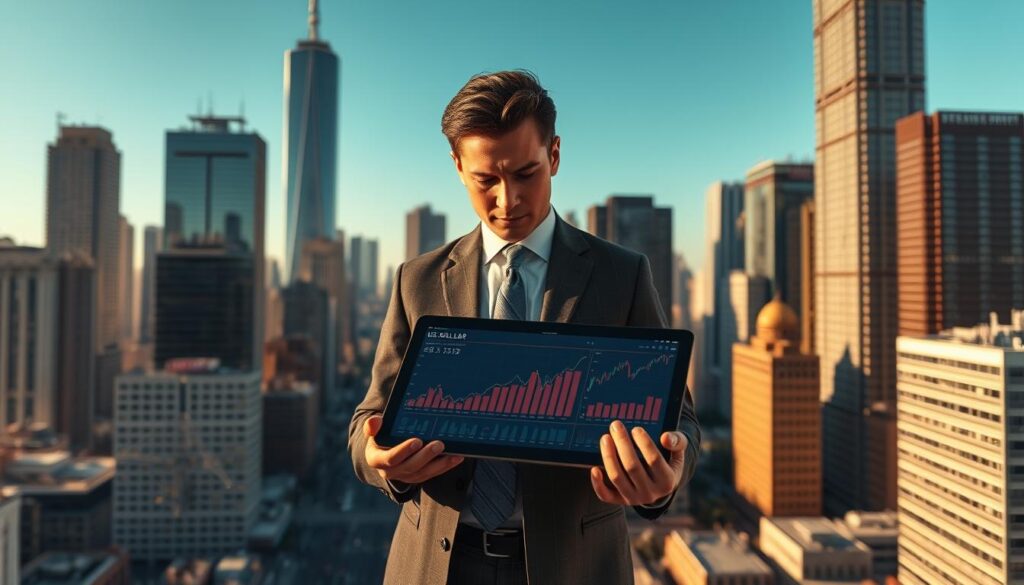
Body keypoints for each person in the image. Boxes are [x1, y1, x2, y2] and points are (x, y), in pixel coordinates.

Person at [348, 70, 700, 585]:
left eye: (526, 173)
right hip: (435, 563)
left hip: (576, 565)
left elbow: (682, 422)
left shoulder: (622, 274)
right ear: (457, 166)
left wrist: (665, 477)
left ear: (554, 155)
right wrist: (378, 459)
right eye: (485, 179)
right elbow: (367, 420)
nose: (507, 200)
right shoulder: (416, 280)